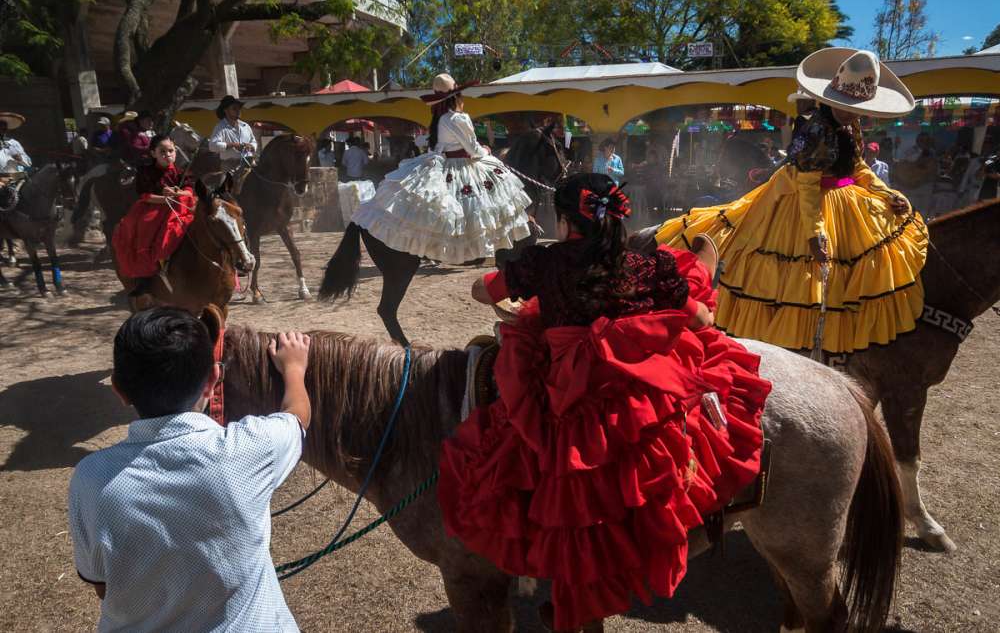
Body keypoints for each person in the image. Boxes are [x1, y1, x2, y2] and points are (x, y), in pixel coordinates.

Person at [439, 173, 770, 632]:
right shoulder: (642, 266)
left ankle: (563, 588)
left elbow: (482, 291)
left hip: (560, 398)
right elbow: (701, 317)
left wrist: (502, 283)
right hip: (627, 397)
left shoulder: (544, 263)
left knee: (534, 467)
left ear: (564, 222)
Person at [655, 48, 926, 355]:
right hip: (801, 203)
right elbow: (808, 185)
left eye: (859, 106)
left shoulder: (851, 124)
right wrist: (815, 233)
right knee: (788, 272)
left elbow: (858, 169)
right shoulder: (816, 129)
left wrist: (887, 194)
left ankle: (837, 344)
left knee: (859, 263)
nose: (854, 111)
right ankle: (790, 344)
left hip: (842, 199)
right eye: (848, 105)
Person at [68, 307, 311, 632]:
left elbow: (102, 585)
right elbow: (297, 416)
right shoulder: (248, 450)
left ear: (119, 390)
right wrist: (294, 368)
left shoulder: (90, 478)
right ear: (213, 379)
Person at [351, 73, 532, 264]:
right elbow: (472, 149)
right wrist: (486, 151)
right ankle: (479, 250)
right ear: (456, 96)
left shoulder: (440, 118)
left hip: (444, 162)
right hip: (462, 164)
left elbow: (440, 146)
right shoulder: (457, 118)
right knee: (485, 201)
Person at [111, 135, 196, 296]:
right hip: (154, 206)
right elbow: (145, 195)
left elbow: (189, 191)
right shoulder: (146, 172)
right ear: (153, 153)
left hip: (182, 205)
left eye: (171, 151)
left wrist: (178, 192)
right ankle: (145, 276)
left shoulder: (182, 172)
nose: (167, 154)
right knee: (145, 226)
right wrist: (165, 199)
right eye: (162, 151)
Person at [208, 95, 258, 172]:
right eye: (234, 108)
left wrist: (251, 146)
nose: (238, 111)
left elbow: (253, 141)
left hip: (250, 163)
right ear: (226, 110)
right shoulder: (220, 127)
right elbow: (212, 146)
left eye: (239, 108)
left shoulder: (245, 126)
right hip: (230, 166)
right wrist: (233, 145)